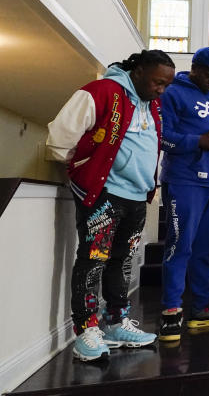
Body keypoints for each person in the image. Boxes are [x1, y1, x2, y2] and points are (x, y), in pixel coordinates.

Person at [46, 50, 175, 361]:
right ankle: (86, 330)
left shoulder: (152, 105)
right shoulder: (102, 91)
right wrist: (85, 170)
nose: (161, 90)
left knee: (122, 260)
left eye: (166, 85)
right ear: (140, 71)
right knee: (93, 259)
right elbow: (60, 138)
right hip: (105, 194)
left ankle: (116, 322)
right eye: (158, 82)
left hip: (136, 197)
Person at [157, 47, 209, 343]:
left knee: (205, 250)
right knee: (180, 247)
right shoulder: (172, 93)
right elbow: (161, 135)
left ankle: (201, 308)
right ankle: (170, 312)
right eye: (208, 73)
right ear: (194, 66)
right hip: (185, 180)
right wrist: (198, 141)